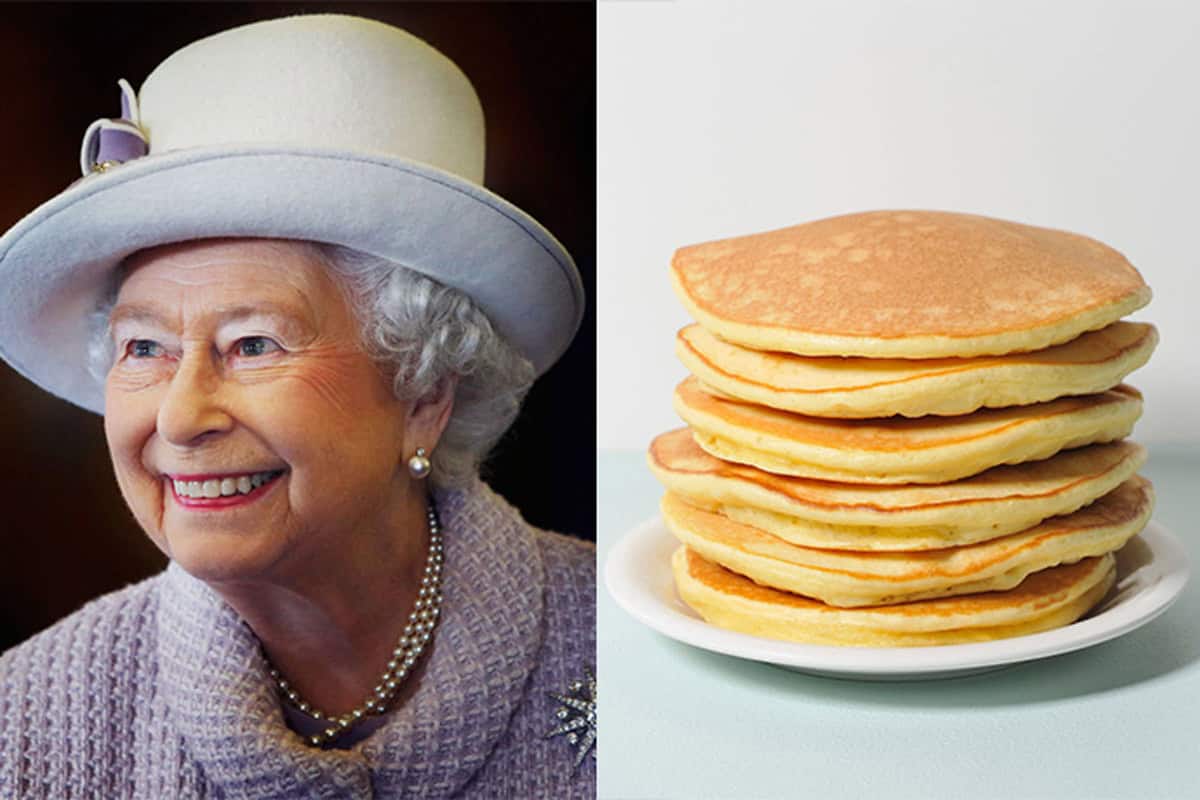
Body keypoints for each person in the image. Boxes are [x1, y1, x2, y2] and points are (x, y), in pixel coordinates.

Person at [0, 13, 594, 799]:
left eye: (253, 345)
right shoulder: (28, 713)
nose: (180, 419)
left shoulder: (621, 641)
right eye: (144, 348)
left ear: (424, 392)